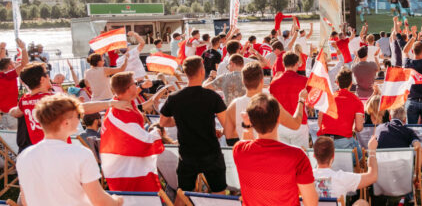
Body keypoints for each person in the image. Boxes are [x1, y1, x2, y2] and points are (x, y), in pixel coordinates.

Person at [16, 95, 124, 206]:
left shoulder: (24, 156)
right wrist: (117, 201)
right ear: (66, 122)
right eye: (77, 116)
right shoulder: (81, 154)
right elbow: (99, 200)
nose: (79, 119)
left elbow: (25, 201)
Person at [159, 56, 228, 202]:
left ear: (186, 73)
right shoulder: (212, 96)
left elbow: (163, 122)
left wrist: (181, 120)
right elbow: (226, 123)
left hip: (187, 153)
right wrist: (221, 131)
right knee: (219, 193)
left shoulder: (174, 97)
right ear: (202, 72)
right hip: (211, 152)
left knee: (182, 195)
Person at [233, 93, 318, 206]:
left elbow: (245, 143)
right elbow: (311, 203)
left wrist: (247, 125)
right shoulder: (297, 156)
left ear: (251, 121)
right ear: (279, 119)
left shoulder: (239, 151)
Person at [101, 72, 164, 192]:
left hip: (125, 164)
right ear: (129, 88)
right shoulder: (121, 112)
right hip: (127, 168)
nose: (137, 86)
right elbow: (142, 142)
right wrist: (155, 132)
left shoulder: (122, 102)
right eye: (135, 84)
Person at [223, 62, 304, 142]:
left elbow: (228, 135)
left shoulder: (233, 105)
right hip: (269, 152)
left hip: (247, 152)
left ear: (243, 81)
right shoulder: (270, 102)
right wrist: (301, 100)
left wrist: (243, 130)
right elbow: (295, 124)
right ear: (262, 81)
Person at [313, 136, 378, 205]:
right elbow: (373, 176)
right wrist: (372, 151)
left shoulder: (305, 177)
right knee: (362, 203)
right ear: (333, 156)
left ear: (314, 155)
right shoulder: (341, 178)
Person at [317, 68, 364, 155]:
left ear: (337, 83)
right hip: (343, 141)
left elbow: (320, 124)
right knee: (361, 155)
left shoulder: (327, 98)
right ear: (351, 84)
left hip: (324, 142)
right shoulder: (357, 101)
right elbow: (359, 128)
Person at [269, 52, 310, 148]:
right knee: (301, 157)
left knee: (283, 158)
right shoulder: (305, 81)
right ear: (297, 64)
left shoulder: (274, 83)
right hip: (300, 123)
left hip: (281, 124)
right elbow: (310, 102)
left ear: (283, 64)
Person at [0, 38, 28, 129]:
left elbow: (2, 61)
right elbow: (24, 64)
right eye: (14, 63)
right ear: (10, 67)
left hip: (3, 115)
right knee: (15, 141)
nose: (16, 64)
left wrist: (2, 49)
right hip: (11, 115)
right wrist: (23, 49)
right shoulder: (8, 76)